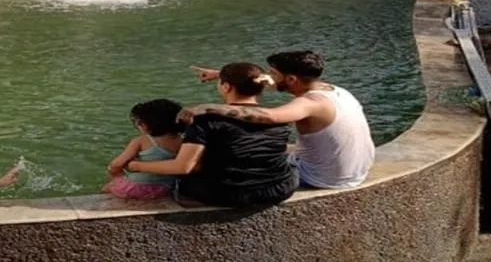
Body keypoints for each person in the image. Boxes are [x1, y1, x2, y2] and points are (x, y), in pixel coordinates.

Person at [187, 50, 375, 190]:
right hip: (356, 172)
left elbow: (270, 116)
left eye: (274, 73)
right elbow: (269, 82)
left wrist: (207, 108)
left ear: (292, 79)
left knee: (235, 157)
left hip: (322, 178)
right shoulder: (336, 91)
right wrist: (221, 74)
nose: (269, 77)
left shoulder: (310, 103)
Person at [129, 62, 298, 208]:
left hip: (227, 194)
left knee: (187, 181)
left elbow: (184, 167)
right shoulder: (278, 116)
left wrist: (137, 166)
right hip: (280, 188)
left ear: (226, 87)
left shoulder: (205, 120)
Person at [104, 99, 185, 200]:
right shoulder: (183, 141)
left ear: (144, 125)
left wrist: (115, 174)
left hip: (136, 189)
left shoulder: (141, 141)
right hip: (167, 188)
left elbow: (116, 164)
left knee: (109, 187)